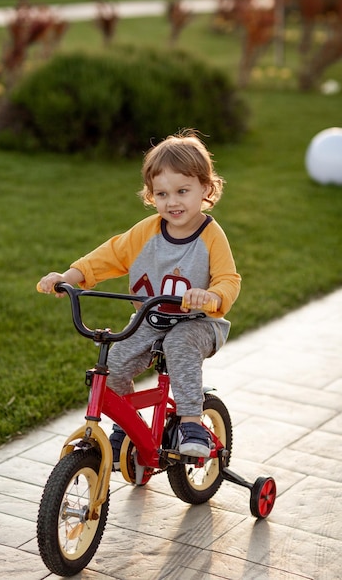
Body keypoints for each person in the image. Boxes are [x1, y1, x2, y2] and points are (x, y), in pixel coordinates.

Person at [38, 129, 241, 466]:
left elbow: (228, 279)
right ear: (151, 195)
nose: (172, 202)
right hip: (151, 319)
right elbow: (108, 256)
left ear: (205, 189)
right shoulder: (146, 232)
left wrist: (211, 295)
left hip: (199, 322)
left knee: (179, 345)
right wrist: (68, 277)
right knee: (113, 365)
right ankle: (129, 429)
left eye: (182, 191)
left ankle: (192, 424)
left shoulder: (210, 236)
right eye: (162, 194)